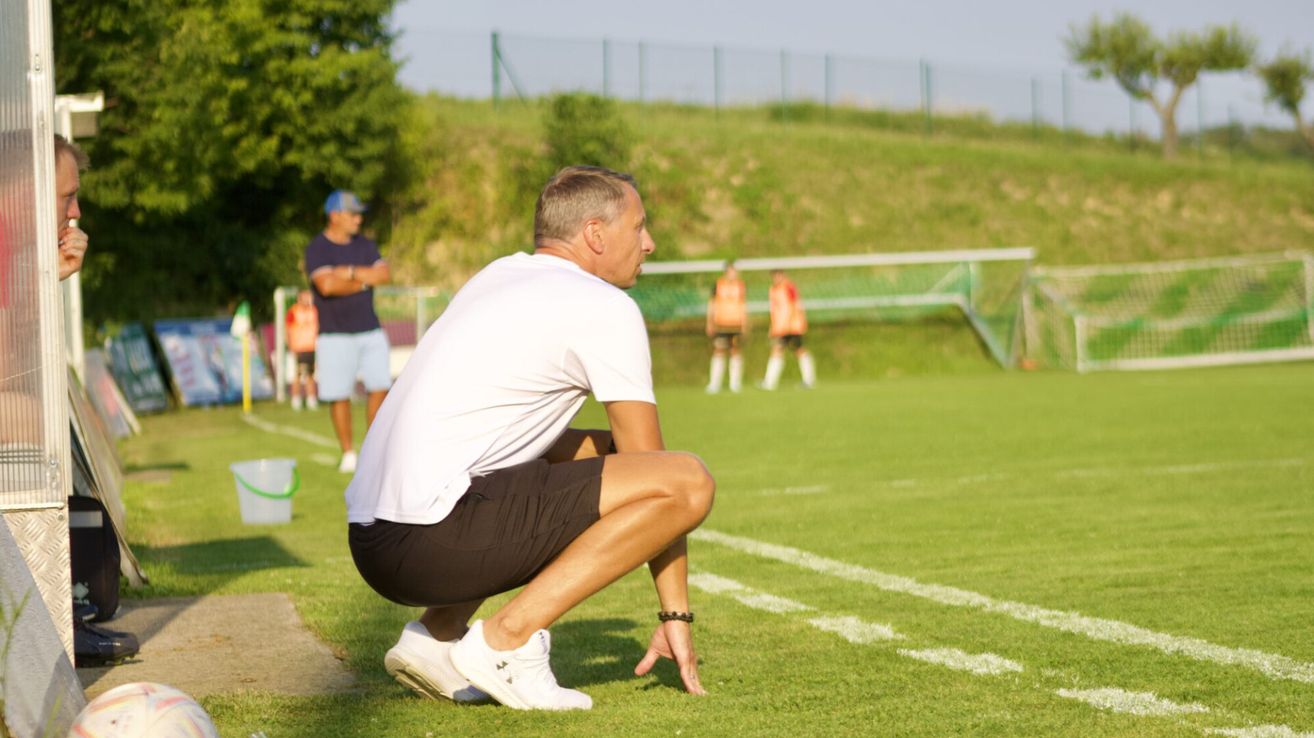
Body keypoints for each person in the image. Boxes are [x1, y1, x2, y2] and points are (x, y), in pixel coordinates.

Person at [346, 165, 715, 711]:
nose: (649, 243)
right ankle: (507, 641)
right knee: (687, 481)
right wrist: (675, 612)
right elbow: (658, 473)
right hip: (430, 538)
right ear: (595, 234)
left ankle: (436, 637)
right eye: (638, 227)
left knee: (603, 456)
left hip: (374, 538)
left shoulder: (498, 275)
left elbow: (537, 444)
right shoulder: (605, 306)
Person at [305, 190, 391, 473]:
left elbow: (384, 275)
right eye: (353, 214)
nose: (358, 218)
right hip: (335, 334)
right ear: (334, 216)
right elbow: (326, 286)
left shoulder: (365, 245)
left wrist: (349, 273)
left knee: (380, 387)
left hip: (370, 330)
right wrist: (364, 281)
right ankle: (348, 453)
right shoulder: (317, 248)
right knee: (338, 394)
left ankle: (373, 450)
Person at [761, 269, 816, 390]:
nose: (776, 278)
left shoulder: (789, 287)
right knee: (777, 350)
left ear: (783, 276)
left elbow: (795, 305)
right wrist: (774, 326)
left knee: (799, 350)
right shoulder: (773, 290)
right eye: (774, 276)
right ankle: (769, 382)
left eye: (779, 276)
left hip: (792, 327)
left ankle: (809, 379)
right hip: (780, 327)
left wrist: (792, 322)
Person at [704, 260, 749, 393]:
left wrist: (745, 322)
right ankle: (714, 384)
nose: (733, 274)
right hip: (721, 324)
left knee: (735, 351)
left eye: (735, 271)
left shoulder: (740, 286)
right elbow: (711, 304)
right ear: (726, 272)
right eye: (731, 271)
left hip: (736, 324)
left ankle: (735, 383)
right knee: (719, 351)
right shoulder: (718, 285)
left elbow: (743, 305)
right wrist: (709, 322)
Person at [285, 289, 319, 411]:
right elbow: (288, 329)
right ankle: (296, 399)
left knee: (310, 374)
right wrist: (290, 345)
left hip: (311, 347)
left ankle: (311, 399)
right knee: (298, 374)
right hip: (298, 347)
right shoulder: (293, 311)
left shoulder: (314, 310)